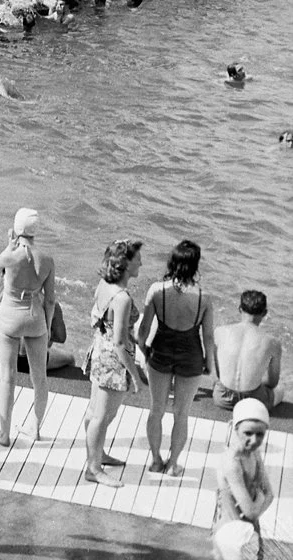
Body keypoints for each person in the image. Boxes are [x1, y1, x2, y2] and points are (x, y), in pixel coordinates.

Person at [137, 239, 216, 476]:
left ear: (172, 261)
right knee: (182, 413)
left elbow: (143, 331)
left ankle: (155, 459)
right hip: (191, 357)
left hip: (160, 352)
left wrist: (145, 350)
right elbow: (209, 337)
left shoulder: (157, 290)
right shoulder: (204, 297)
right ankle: (173, 464)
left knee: (156, 409)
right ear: (195, 265)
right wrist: (208, 365)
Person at [0, 207, 56, 447]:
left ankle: (4, 434)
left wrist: (9, 245)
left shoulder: (11, 256)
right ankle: (35, 429)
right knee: (40, 378)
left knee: (8, 377)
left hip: (9, 317)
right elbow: (50, 300)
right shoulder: (47, 259)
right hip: (35, 317)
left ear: (17, 229)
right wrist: (46, 327)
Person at [81, 238, 146, 486]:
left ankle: (96, 455)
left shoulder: (103, 285)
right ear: (126, 263)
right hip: (113, 361)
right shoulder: (123, 298)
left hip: (99, 351)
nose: (141, 262)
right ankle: (93, 468)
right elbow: (120, 342)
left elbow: (104, 325)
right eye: (138, 258)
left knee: (94, 411)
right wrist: (136, 376)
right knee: (103, 416)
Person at [212, 400, 274, 560]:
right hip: (230, 532)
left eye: (259, 434)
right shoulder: (232, 463)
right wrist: (260, 497)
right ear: (236, 428)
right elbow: (252, 511)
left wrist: (256, 506)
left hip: (249, 528)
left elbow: (270, 495)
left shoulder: (254, 453)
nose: (254, 440)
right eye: (248, 433)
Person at [213, 290, 281, 413]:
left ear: (240, 309)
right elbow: (272, 383)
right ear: (265, 313)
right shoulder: (273, 342)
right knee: (281, 389)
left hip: (222, 398)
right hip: (254, 403)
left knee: (220, 383)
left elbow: (220, 374)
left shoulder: (220, 332)